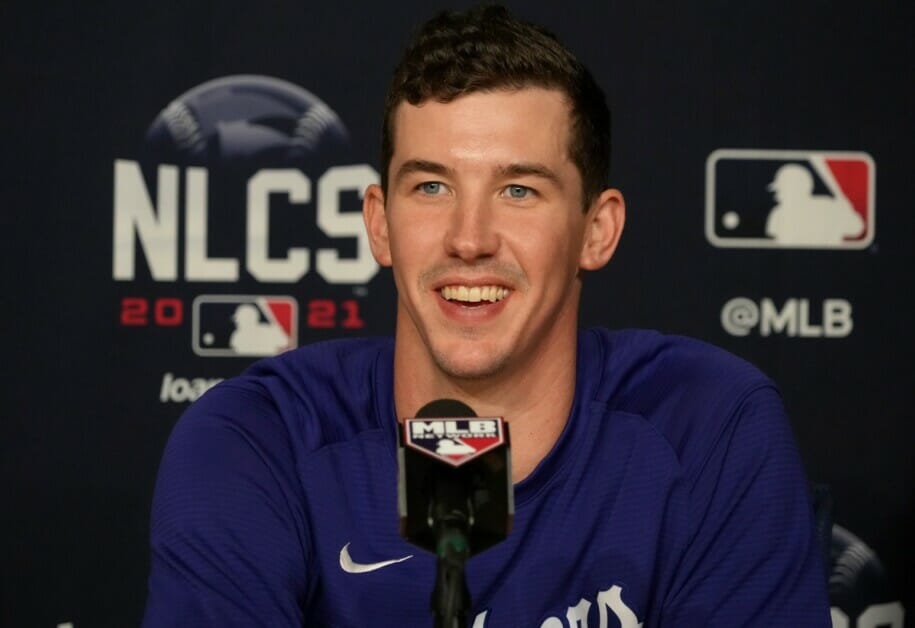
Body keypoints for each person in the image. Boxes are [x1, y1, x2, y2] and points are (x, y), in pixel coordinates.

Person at [142, 6, 831, 626]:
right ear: (379, 225)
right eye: (431, 186)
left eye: (518, 190)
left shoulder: (707, 426)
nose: (468, 238)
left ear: (596, 231)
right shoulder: (258, 442)